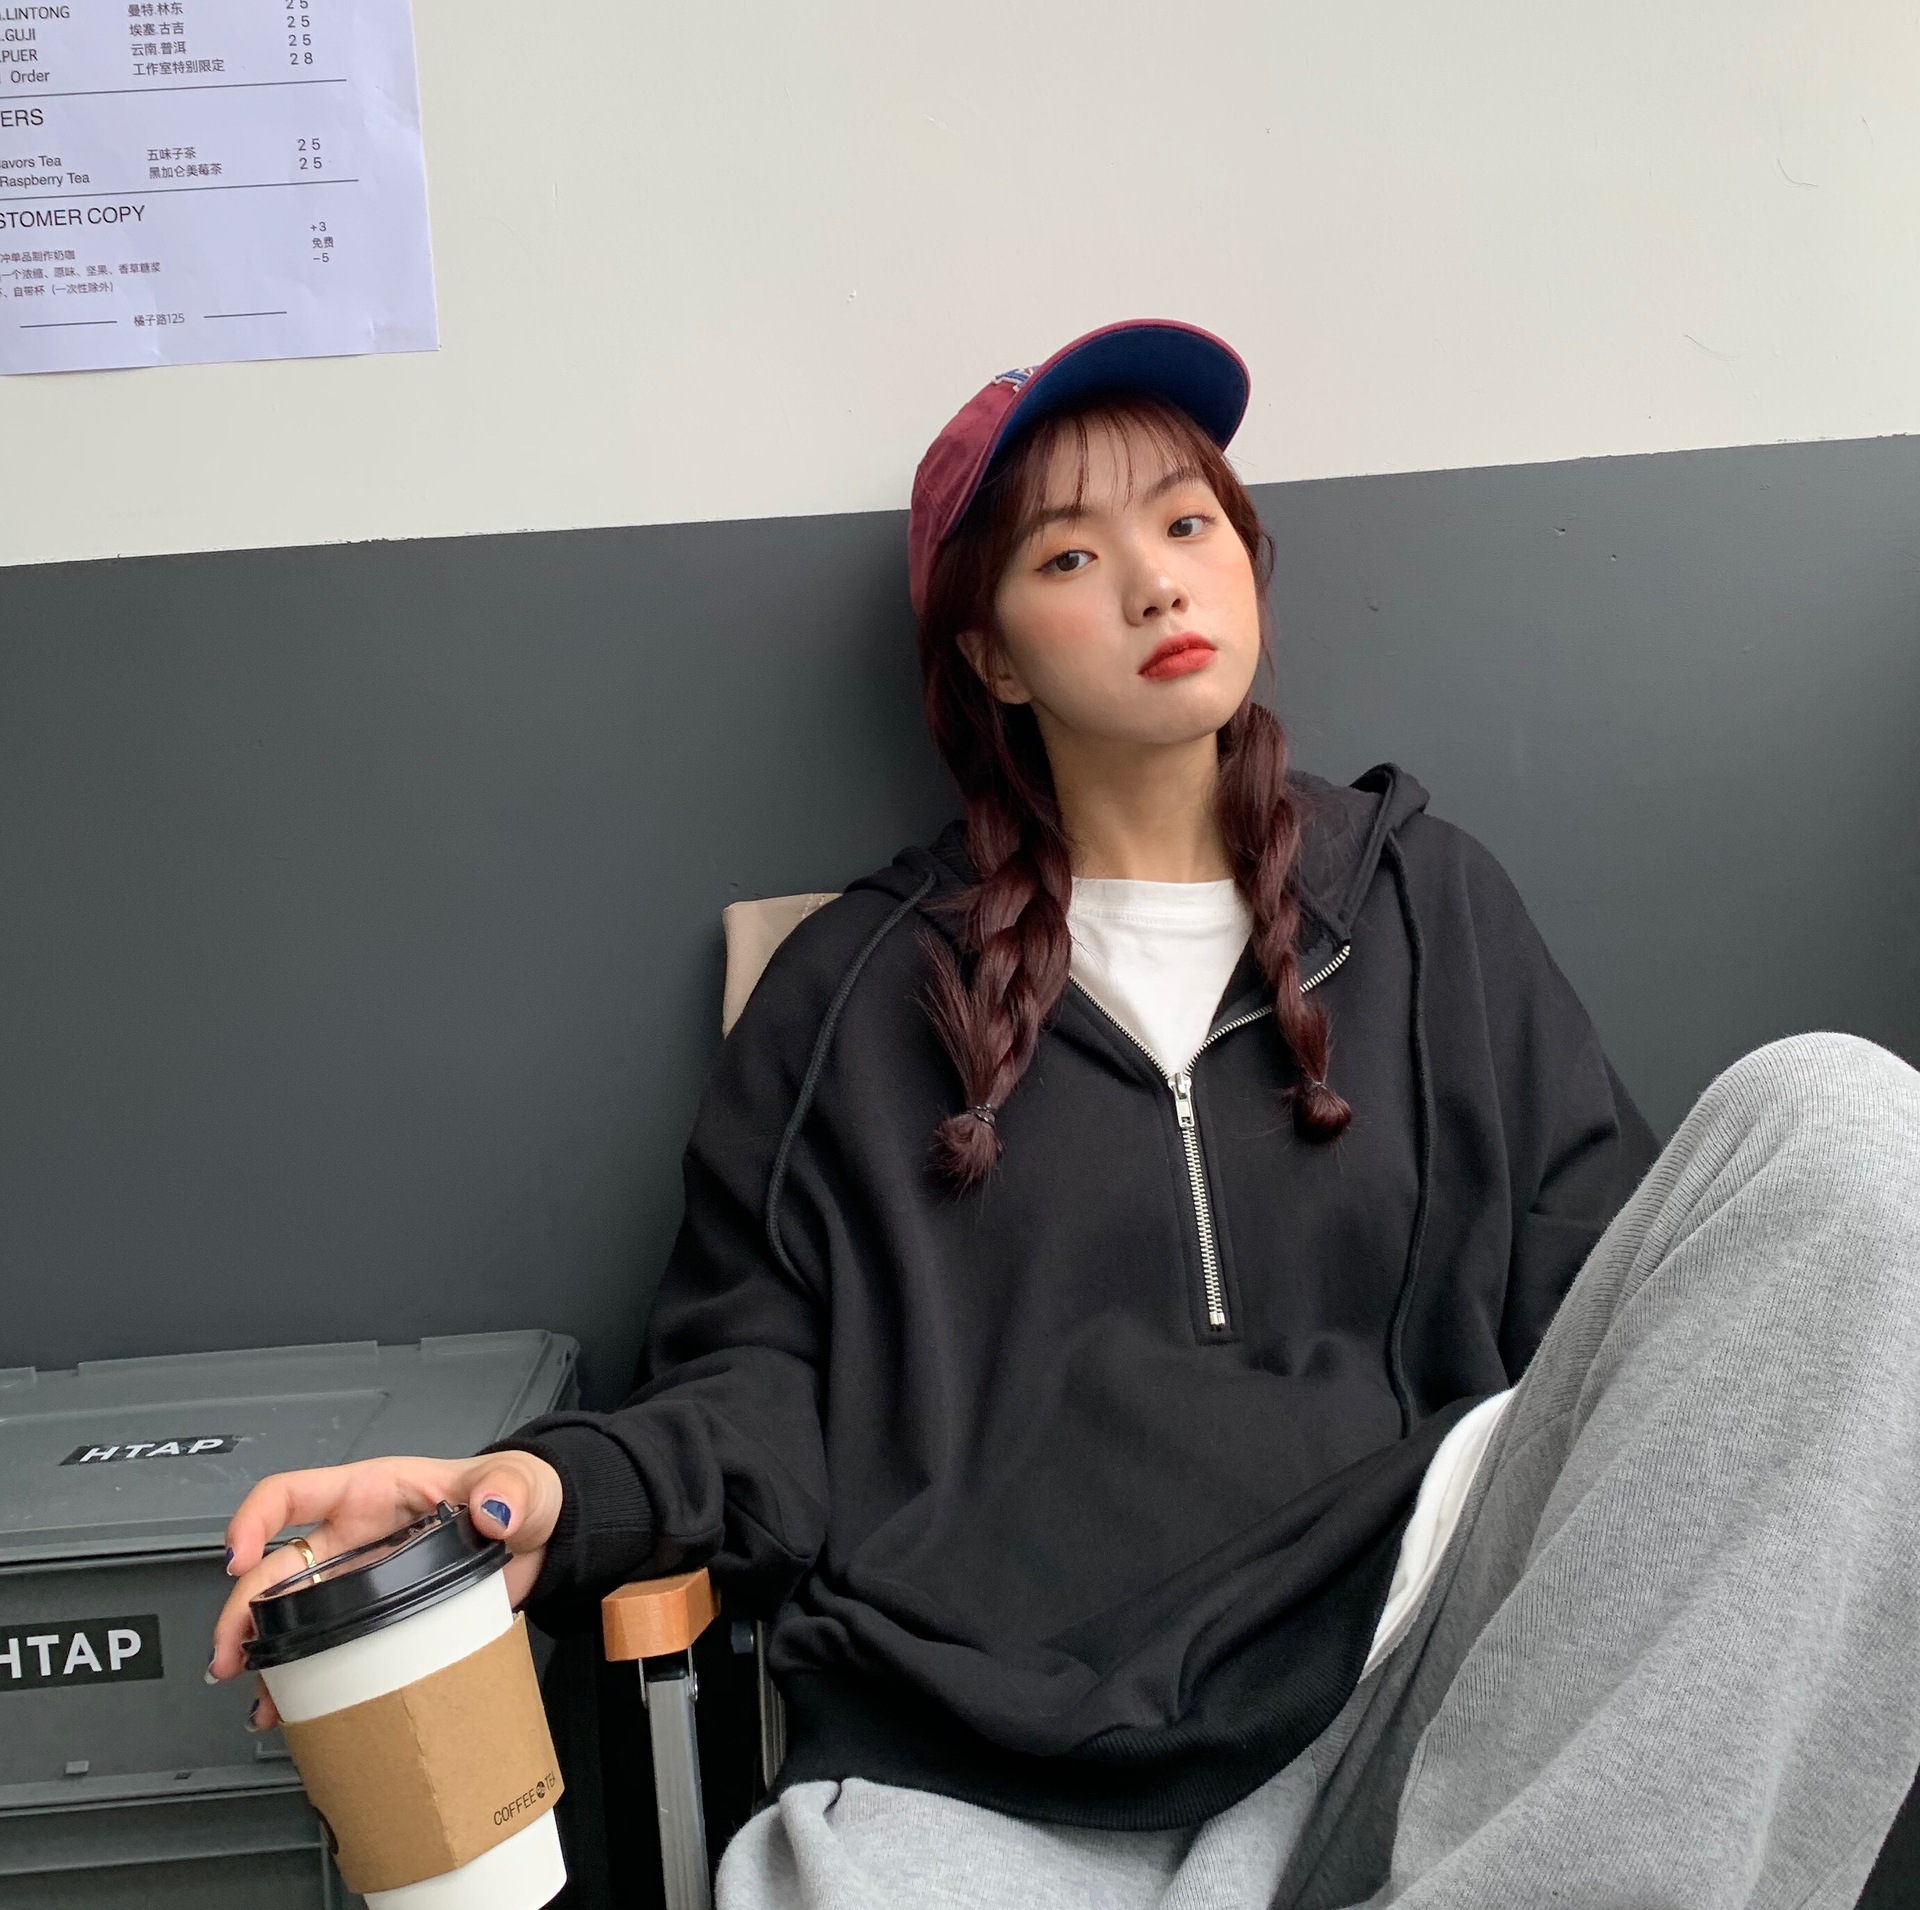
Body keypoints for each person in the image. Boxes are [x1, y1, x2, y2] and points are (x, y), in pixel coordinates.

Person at [211, 321, 1920, 1909]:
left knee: (1843, 1115)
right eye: (1069, 558)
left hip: (1429, 1685)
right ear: (992, 655)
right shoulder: (850, 996)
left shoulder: (1425, 909)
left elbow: (1616, 1316)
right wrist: (530, 1489)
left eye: (1185, 522)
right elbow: (754, 1396)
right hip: (1006, 1775)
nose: (1154, 580)